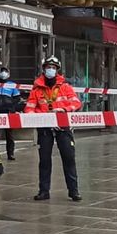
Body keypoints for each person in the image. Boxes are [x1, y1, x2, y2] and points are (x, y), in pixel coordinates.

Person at [26, 55, 81, 201]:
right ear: (44, 69)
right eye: (48, 67)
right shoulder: (36, 89)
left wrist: (64, 109)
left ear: (57, 70)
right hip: (44, 127)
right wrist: (39, 116)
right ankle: (44, 191)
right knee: (44, 160)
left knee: (69, 158)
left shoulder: (65, 87)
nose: (50, 70)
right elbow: (29, 108)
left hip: (63, 126)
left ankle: (74, 191)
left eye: (53, 68)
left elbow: (76, 103)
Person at [0, 68, 24, 160]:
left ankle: (10, 153)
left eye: (5, 71)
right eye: (2, 71)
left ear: (8, 74)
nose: (3, 73)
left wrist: (10, 105)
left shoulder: (12, 85)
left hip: (8, 112)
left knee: (9, 134)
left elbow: (17, 98)